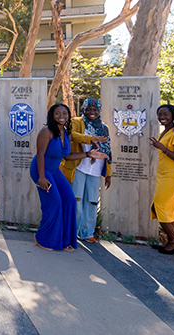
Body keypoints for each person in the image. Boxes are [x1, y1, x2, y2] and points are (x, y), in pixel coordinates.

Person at [31, 104, 108, 252]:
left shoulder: (66, 133)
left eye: (65, 113)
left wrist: (88, 154)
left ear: (68, 115)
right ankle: (42, 238)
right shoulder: (46, 131)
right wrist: (41, 177)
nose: (61, 116)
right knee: (54, 202)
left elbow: (67, 156)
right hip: (41, 170)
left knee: (70, 201)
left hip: (54, 170)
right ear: (52, 115)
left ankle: (65, 240)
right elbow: (40, 155)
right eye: (57, 113)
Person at [60, 98, 111, 243]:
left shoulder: (103, 127)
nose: (92, 112)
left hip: (96, 168)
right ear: (84, 109)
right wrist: (91, 138)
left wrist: (109, 174)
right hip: (79, 166)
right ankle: (72, 232)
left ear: (99, 110)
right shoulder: (76, 122)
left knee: (92, 201)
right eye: (89, 109)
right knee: (76, 199)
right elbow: (73, 135)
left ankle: (87, 232)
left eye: (95, 110)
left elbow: (109, 150)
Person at [148, 104, 174, 254]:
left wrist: (162, 147)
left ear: (173, 115)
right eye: (160, 114)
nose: (162, 117)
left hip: (172, 174)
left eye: (166, 114)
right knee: (167, 208)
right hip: (163, 173)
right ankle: (170, 241)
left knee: (157, 206)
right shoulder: (165, 131)